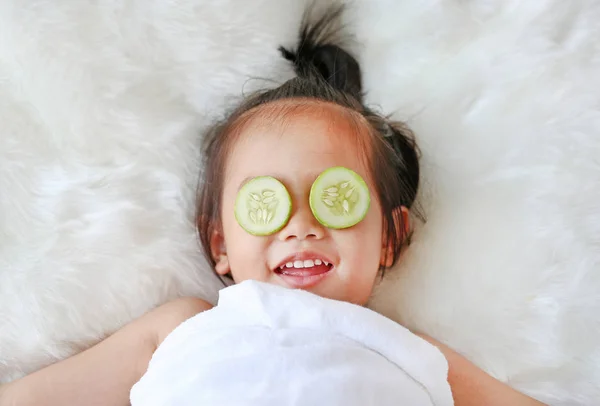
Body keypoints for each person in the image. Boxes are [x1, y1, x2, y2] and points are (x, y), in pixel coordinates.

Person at [0, 5, 545, 406]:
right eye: (267, 203)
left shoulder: (408, 349)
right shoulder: (183, 328)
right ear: (220, 244)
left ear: (389, 238)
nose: (302, 225)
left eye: (337, 200)